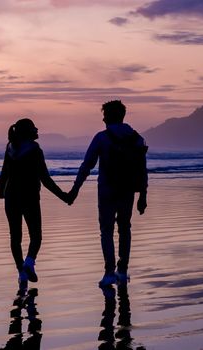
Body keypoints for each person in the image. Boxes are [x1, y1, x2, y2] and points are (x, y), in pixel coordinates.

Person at [68, 100, 148, 287]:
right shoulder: (137, 138)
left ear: (110, 116)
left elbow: (87, 165)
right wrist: (143, 195)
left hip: (107, 190)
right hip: (128, 190)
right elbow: (142, 169)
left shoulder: (101, 138)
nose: (103, 118)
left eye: (105, 114)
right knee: (125, 228)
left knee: (106, 231)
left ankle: (109, 272)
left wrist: (75, 190)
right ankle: (123, 269)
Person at [0, 118, 70, 290]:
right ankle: (29, 262)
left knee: (15, 237)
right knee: (36, 236)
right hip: (29, 197)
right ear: (28, 132)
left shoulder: (10, 147)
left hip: (11, 197)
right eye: (34, 127)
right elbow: (45, 179)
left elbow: (4, 173)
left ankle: (21, 273)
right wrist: (63, 196)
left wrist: (1, 192)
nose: (37, 129)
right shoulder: (35, 150)